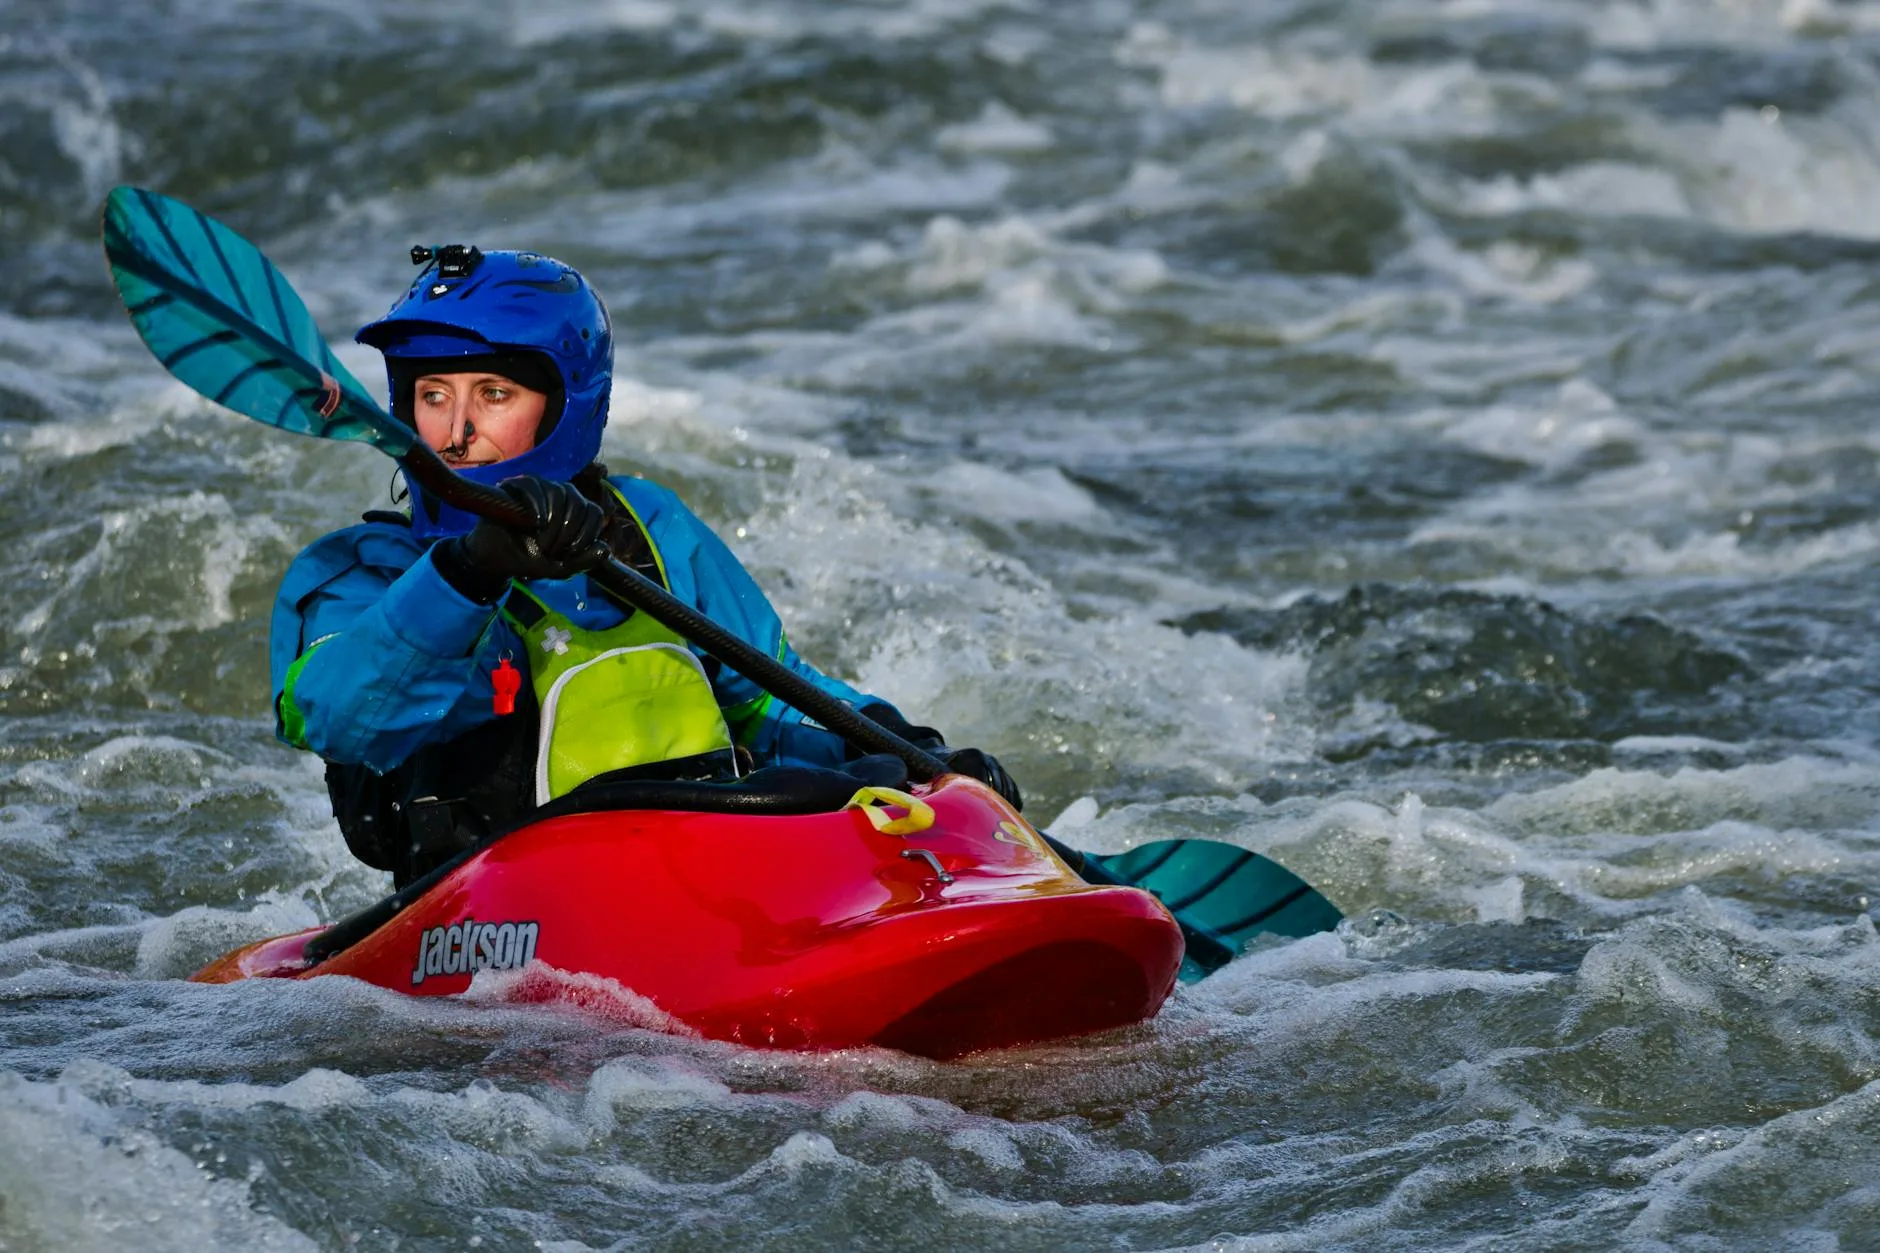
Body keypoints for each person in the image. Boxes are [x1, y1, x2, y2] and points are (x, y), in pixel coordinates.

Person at [269, 244, 1021, 886]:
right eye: (432, 396)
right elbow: (339, 720)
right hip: (499, 912)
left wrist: (907, 750)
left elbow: (769, 696)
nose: (457, 433)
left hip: (701, 868)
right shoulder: (360, 569)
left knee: (860, 783)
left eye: (494, 394)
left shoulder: (645, 526)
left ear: (567, 407)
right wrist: (466, 573)